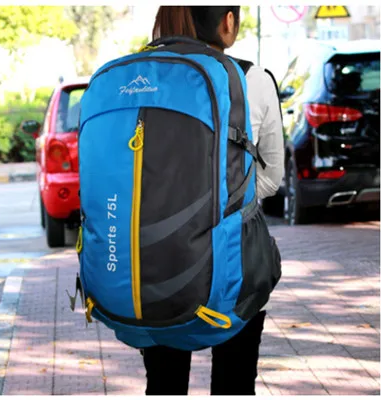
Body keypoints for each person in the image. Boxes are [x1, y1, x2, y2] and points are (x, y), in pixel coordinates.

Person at [142, 6, 284, 396]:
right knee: (234, 384)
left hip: (151, 265)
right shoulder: (252, 79)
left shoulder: (141, 76)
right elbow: (271, 177)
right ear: (228, 21)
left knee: (164, 385)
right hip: (233, 267)